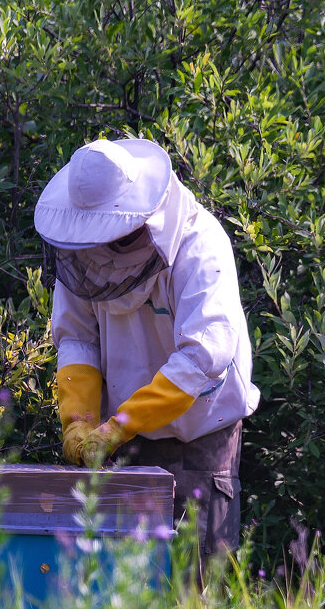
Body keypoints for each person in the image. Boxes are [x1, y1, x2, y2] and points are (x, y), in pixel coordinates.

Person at [34, 137, 260, 561]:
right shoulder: (81, 255)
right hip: (125, 444)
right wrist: (79, 421)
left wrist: (120, 424)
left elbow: (203, 357)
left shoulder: (198, 244)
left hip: (201, 437)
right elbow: (76, 338)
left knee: (197, 582)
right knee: (126, 589)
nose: (97, 247)